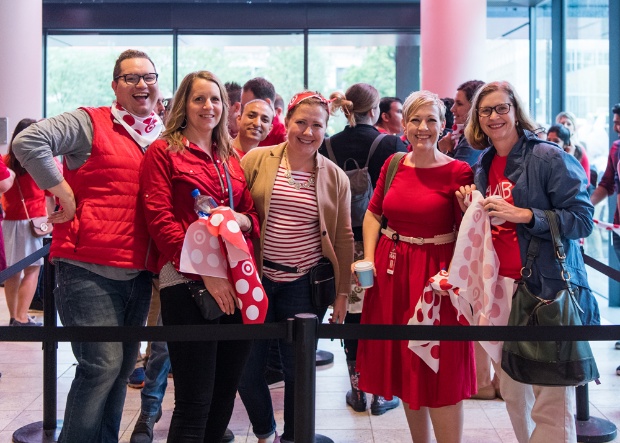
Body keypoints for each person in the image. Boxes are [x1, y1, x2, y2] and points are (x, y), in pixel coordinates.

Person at [13, 49, 163, 443]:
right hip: (87, 267)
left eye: (149, 76)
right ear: (115, 85)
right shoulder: (90, 122)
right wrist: (61, 189)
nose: (142, 84)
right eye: (130, 78)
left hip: (140, 271)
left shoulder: (160, 134)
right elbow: (30, 140)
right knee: (102, 364)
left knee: (122, 367)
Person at [458, 80, 598, 443]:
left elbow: (582, 219)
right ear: (477, 118)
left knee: (549, 397)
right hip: (499, 290)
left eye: (502, 108)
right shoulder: (484, 162)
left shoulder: (547, 157)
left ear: (517, 111)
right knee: (514, 395)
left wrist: (524, 215)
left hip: (545, 288)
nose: (494, 116)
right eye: (486, 110)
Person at [140, 70, 259, 442]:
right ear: (183, 105)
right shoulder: (163, 152)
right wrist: (207, 273)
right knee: (195, 400)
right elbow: (160, 223)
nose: (209, 107)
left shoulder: (229, 157)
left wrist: (242, 219)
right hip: (188, 284)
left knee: (224, 395)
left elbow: (252, 217)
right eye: (199, 99)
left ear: (226, 107)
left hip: (238, 283)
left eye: (215, 100)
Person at [356, 90, 475, 443]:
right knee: (407, 367)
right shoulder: (394, 163)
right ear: (404, 125)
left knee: (441, 371)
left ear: (443, 126)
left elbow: (467, 234)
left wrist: (472, 209)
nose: (422, 128)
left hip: (437, 279)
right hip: (392, 274)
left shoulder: (459, 171)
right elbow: (374, 214)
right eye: (415, 120)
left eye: (431, 120)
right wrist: (367, 255)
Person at [238, 91, 354, 443]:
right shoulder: (257, 160)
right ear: (286, 123)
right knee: (246, 368)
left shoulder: (335, 177)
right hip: (256, 281)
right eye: (300, 122)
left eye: (316, 125)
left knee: (297, 371)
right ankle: (264, 431)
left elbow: (344, 237)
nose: (307, 131)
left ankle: (293, 437)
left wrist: (343, 295)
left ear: (325, 129)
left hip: (303, 286)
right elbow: (239, 207)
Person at [319, 82, 406, 415]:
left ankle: (357, 389)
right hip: (383, 243)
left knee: (350, 314)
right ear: (375, 111)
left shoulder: (327, 145)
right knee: (382, 315)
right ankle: (381, 393)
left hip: (341, 244)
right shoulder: (392, 144)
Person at [2, 119, 52, 327]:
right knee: (32, 269)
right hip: (32, 222)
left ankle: (14, 316)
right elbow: (51, 191)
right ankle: (22, 318)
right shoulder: (37, 161)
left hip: (8, 222)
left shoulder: (5, 160)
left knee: (12, 271)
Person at [589, 103, 620, 357]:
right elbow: (607, 184)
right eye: (615, 123)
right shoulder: (616, 148)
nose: (617, 127)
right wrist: (584, 207)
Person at [438, 79, 486, 167]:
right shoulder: (463, 135)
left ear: (475, 107)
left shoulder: (475, 138)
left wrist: (446, 151)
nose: (452, 109)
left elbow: (455, 177)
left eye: (459, 104)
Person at [241, 77, 287, 146]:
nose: (243, 111)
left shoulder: (282, 136)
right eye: (242, 107)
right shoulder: (239, 124)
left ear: (267, 103)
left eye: (249, 104)